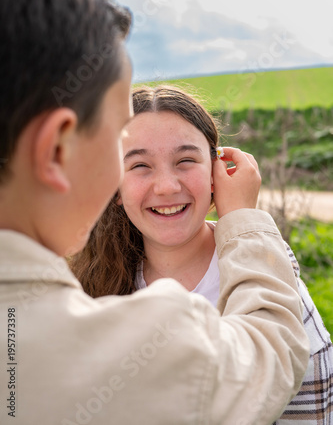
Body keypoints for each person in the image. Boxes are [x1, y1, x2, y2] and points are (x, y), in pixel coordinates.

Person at [0, 0, 309, 425]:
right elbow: (270, 352)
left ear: (213, 165)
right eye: (123, 148)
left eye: (185, 159)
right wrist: (245, 220)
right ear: (57, 150)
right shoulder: (137, 335)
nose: (165, 185)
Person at [72, 85, 333, 424]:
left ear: (215, 173)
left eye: (185, 161)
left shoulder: (266, 262)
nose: (166, 186)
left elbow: (312, 401)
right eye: (139, 166)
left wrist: (240, 217)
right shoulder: (91, 285)